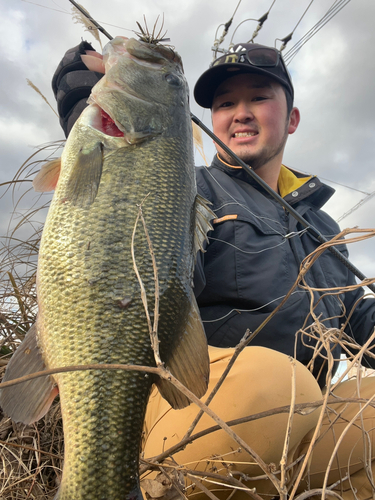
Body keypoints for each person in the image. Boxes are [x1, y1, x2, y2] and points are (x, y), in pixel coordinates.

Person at [53, 41, 375, 499]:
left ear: (293, 118)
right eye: (225, 103)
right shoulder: (187, 188)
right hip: (197, 408)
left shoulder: (323, 225)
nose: (240, 112)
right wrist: (88, 128)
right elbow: (123, 254)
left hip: (305, 420)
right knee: (280, 384)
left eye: (258, 97)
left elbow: (356, 317)